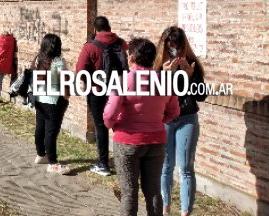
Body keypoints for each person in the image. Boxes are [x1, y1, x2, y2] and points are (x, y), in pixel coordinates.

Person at [103, 38, 180, 216]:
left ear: (131, 58)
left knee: (129, 192)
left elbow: (109, 114)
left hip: (127, 141)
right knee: (153, 190)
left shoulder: (123, 80)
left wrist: (113, 126)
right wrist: (157, 122)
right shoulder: (165, 81)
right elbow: (174, 111)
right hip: (156, 141)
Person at [155, 26, 208, 216]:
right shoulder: (159, 65)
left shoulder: (192, 63)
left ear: (183, 46)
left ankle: (185, 213)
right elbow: (153, 96)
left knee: (185, 167)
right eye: (170, 47)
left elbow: (201, 96)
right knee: (166, 166)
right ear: (164, 46)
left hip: (187, 118)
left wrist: (190, 76)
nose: (174, 51)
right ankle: (165, 209)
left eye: (177, 47)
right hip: (166, 119)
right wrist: (166, 75)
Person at [75, 15, 128, 176]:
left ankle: (103, 164)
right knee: (122, 124)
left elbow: (80, 70)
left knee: (101, 126)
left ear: (95, 29)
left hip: (97, 91)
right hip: (119, 89)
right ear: (109, 27)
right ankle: (127, 161)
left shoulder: (90, 47)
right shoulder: (121, 43)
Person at [32, 34, 71, 175]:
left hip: (40, 99)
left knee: (40, 128)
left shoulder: (38, 59)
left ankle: (41, 155)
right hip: (54, 101)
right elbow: (65, 80)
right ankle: (53, 163)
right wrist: (66, 96)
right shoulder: (58, 61)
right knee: (51, 132)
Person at [0, 31, 17, 104]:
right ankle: (0, 96)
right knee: (0, 79)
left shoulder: (0, 40)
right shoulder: (12, 41)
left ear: (2, 35)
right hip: (7, 63)